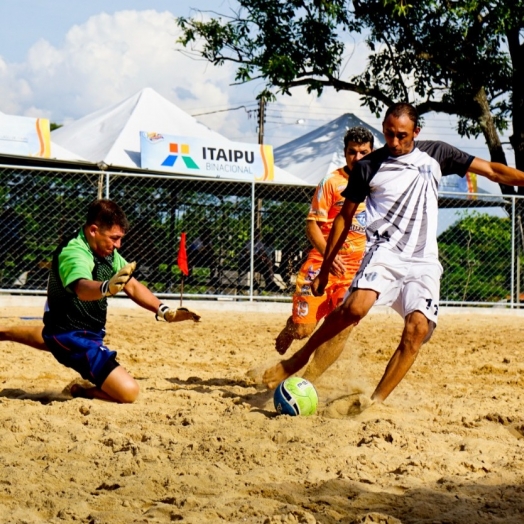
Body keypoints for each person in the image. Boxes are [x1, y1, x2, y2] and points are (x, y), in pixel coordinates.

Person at [263, 102, 524, 409]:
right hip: (384, 251)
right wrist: (323, 271)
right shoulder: (368, 166)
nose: (395, 142)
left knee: (417, 331)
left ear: (416, 132)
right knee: (355, 309)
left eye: (402, 135)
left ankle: (373, 402)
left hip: (424, 261)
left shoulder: (437, 154)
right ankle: (299, 357)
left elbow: (494, 171)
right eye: (388, 134)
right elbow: (344, 218)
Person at [0, 199, 200, 403]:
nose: (118, 245)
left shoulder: (105, 251)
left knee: (52, 338)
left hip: (76, 331)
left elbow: (131, 285)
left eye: (120, 239)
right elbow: (82, 288)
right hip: (72, 336)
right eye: (114, 238)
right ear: (94, 230)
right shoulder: (74, 251)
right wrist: (106, 287)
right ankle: (81, 391)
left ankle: (3, 331)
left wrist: (165, 311)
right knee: (128, 392)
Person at [275, 127, 374, 354]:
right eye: (352, 152)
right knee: (304, 331)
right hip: (321, 265)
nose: (357, 158)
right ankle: (292, 327)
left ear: (372, 152)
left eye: (363, 152)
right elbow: (311, 225)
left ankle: (312, 379)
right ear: (345, 152)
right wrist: (330, 256)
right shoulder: (331, 182)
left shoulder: (378, 185)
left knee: (339, 332)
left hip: (356, 273)